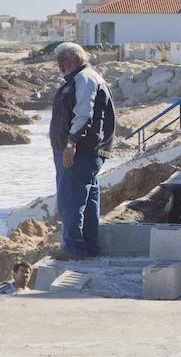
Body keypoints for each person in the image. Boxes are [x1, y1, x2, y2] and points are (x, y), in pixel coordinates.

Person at [49, 42, 116, 260]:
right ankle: (88, 247)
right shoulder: (88, 77)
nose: (60, 67)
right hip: (91, 151)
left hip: (80, 152)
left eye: (63, 62)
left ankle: (73, 248)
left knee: (71, 200)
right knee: (86, 201)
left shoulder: (84, 79)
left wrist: (70, 144)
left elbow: (83, 114)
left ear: (72, 60)